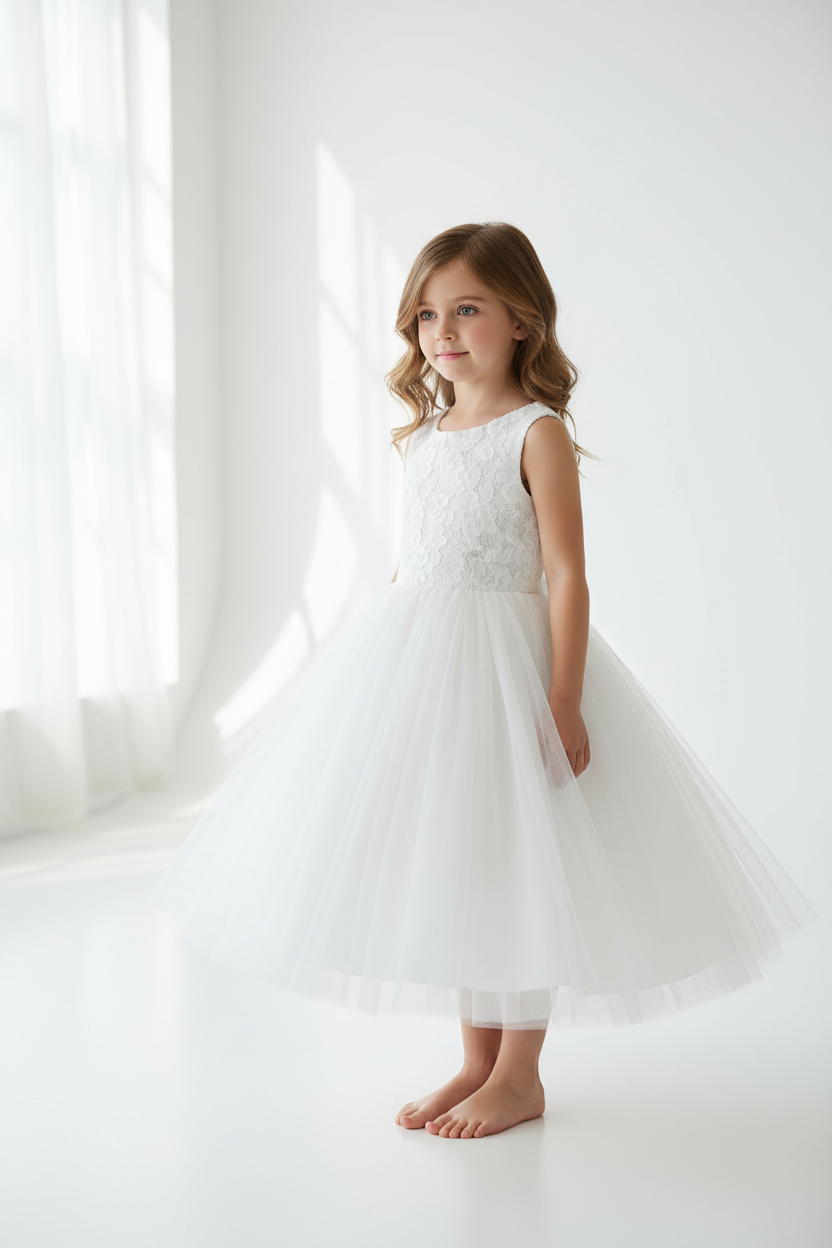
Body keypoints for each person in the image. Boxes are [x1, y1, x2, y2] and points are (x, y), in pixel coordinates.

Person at [151, 221, 815, 1141]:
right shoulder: (423, 439)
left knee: (517, 862)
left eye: (467, 310)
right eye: (427, 314)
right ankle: (473, 1058)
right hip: (424, 666)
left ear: (523, 321)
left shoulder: (535, 433)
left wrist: (565, 697)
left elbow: (568, 574)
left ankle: (519, 1073)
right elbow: (414, 564)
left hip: (509, 669)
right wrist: (377, 677)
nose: (442, 333)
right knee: (462, 857)